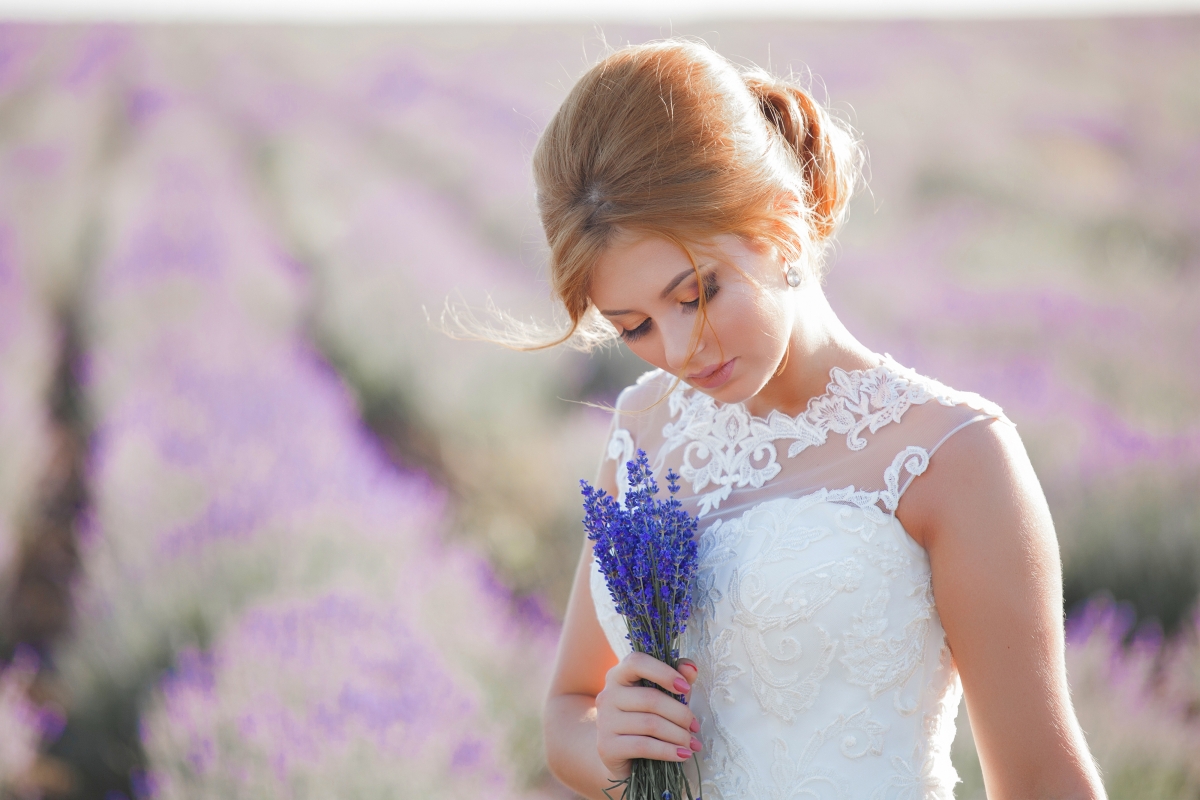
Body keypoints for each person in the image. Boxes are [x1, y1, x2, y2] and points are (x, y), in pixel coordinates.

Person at [528, 39, 1105, 800]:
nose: (677, 351)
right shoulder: (645, 428)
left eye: (697, 293)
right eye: (633, 325)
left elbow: (1040, 781)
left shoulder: (954, 454)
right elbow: (570, 710)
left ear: (781, 224)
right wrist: (609, 743)